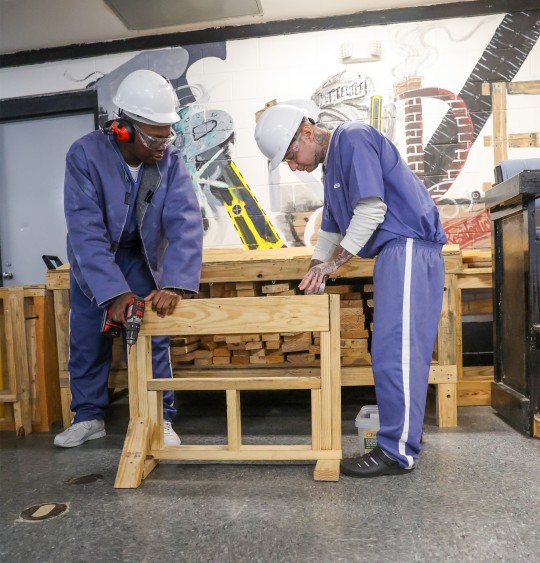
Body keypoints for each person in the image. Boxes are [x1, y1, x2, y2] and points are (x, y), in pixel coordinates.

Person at [254, 104, 447, 477]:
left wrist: (332, 266)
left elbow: (371, 211)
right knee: (391, 351)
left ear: (307, 133)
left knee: (397, 352)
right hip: (395, 253)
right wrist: (315, 269)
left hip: (408, 246)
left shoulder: (352, 138)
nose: (292, 166)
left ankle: (397, 452)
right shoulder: (332, 166)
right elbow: (330, 229)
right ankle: (402, 438)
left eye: (291, 155)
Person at [54, 69, 203, 448]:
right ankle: (88, 416)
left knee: (154, 335)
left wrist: (175, 283)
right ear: (123, 129)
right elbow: (85, 230)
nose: (162, 145)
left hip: (141, 257)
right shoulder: (85, 155)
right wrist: (113, 293)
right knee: (87, 339)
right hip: (95, 260)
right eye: (154, 137)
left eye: (168, 135)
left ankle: (161, 417)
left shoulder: (170, 161)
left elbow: (185, 222)